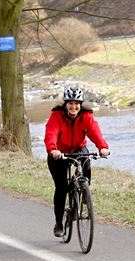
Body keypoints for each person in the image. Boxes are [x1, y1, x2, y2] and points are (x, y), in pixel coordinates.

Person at [44, 87, 110, 237]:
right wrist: (53, 149)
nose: (73, 107)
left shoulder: (86, 116)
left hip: (78, 148)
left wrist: (103, 147)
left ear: (81, 104)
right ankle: (59, 223)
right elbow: (51, 133)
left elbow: (95, 132)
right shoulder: (56, 116)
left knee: (86, 159)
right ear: (65, 104)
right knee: (61, 188)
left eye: (77, 104)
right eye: (70, 103)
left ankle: (84, 190)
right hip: (59, 152)